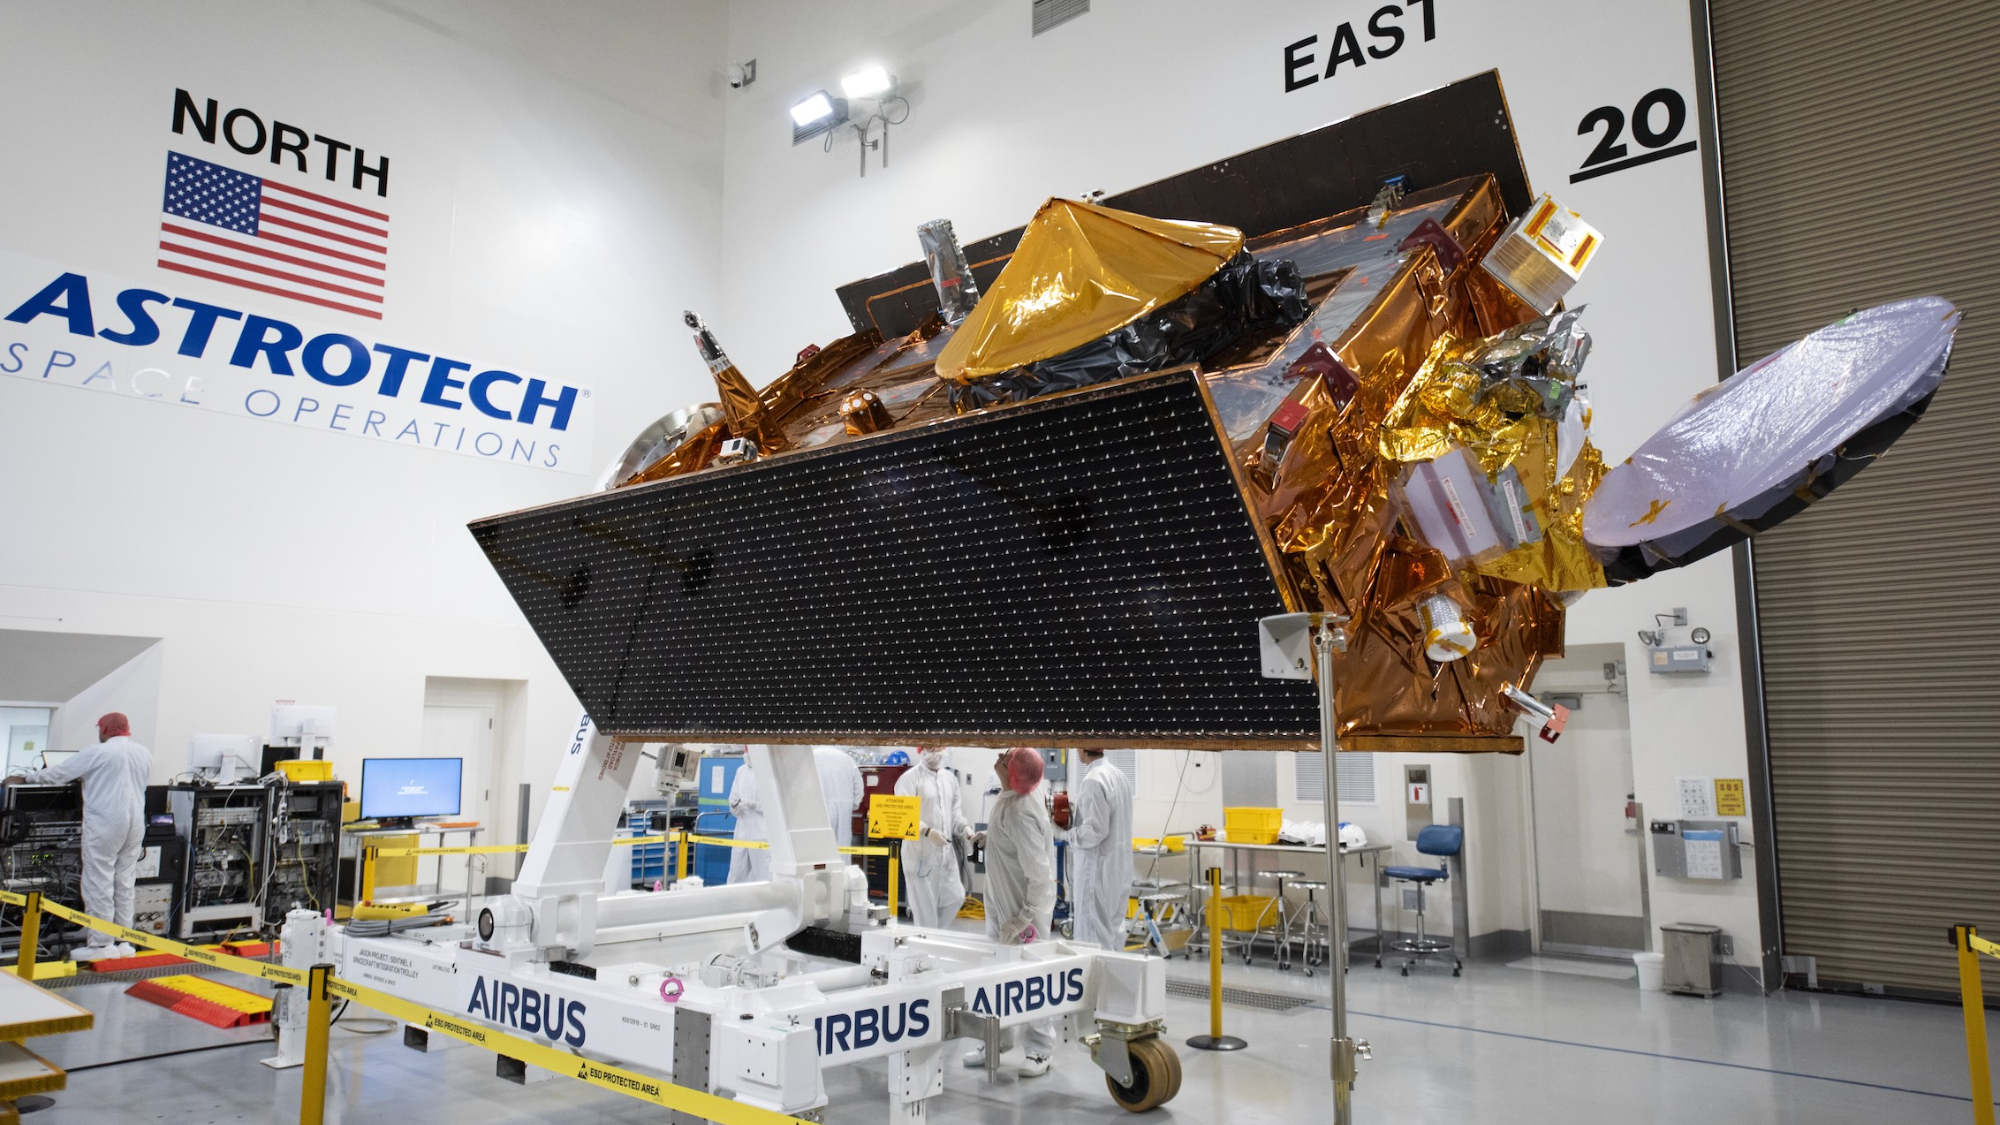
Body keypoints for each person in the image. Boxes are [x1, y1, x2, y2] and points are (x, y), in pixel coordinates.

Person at [2, 713, 151, 961]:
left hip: (106, 821)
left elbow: (58, 774)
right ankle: (124, 941)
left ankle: (101, 946)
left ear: (104, 730)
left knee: (98, 879)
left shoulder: (97, 752)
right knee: (124, 880)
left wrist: (26, 778)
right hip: (135, 821)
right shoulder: (143, 752)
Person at [966, 747, 1057, 1077]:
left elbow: (1039, 873)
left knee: (1033, 980)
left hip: (1021, 914)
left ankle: (1039, 1050)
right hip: (1001, 907)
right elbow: (1015, 841)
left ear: (1011, 771)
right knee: (996, 976)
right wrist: (991, 838)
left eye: (1008, 757)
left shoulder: (1019, 809)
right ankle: (996, 1040)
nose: (1002, 755)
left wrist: (1025, 917)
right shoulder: (1010, 798)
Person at [894, 747, 971, 928]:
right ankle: (925, 950)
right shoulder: (909, 779)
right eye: (929, 747)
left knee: (955, 897)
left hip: (945, 851)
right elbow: (903, 816)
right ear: (920, 749)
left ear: (944, 749)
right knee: (925, 913)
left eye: (937, 747)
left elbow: (955, 814)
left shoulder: (950, 779)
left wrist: (965, 828)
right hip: (920, 853)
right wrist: (927, 832)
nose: (934, 752)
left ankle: (935, 936)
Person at [1067, 748, 1134, 952]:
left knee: (1093, 938)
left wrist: (1065, 834)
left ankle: (1097, 984)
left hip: (1096, 872)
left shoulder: (1093, 781)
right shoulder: (1119, 776)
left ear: (1081, 747)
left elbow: (1095, 831)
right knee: (1113, 931)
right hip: (1117, 869)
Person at [726, 753, 769, 883]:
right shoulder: (741, 771)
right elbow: (733, 798)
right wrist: (735, 806)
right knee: (737, 870)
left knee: (762, 873)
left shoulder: (766, 771)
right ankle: (735, 901)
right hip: (742, 830)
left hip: (761, 831)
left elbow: (772, 806)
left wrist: (752, 804)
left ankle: (764, 902)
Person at [813, 745, 865, 849]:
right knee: (841, 848)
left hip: (816, 808)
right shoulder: (847, 759)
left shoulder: (811, 756)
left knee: (818, 848)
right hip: (843, 809)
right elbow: (859, 790)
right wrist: (852, 805)